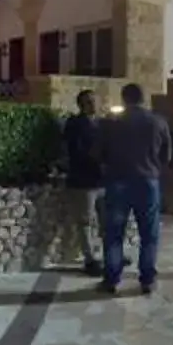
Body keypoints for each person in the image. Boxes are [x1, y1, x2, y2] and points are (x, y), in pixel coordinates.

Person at [98, 81, 172, 294]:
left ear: (124, 99)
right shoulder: (158, 122)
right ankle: (147, 279)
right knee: (149, 233)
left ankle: (112, 278)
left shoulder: (111, 123)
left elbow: (99, 153)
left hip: (118, 181)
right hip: (148, 182)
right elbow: (166, 156)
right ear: (143, 99)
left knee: (114, 233)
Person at [57, 89, 104, 276]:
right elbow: (76, 152)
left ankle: (110, 255)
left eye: (94, 100)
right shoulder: (75, 124)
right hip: (84, 180)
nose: (93, 104)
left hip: (102, 181)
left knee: (106, 221)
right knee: (85, 221)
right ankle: (90, 259)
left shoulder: (100, 123)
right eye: (89, 101)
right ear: (81, 105)